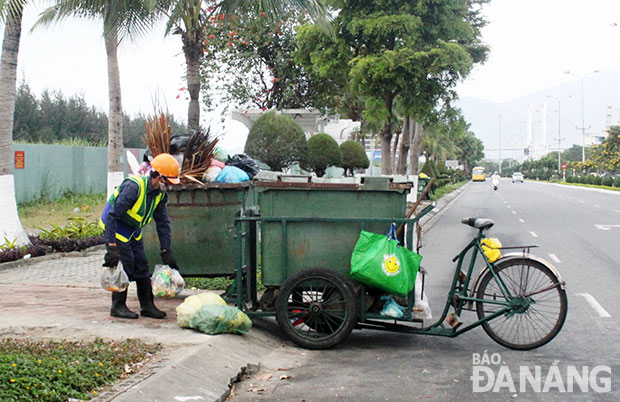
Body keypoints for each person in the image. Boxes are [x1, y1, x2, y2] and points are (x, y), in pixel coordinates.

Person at [100, 153, 180, 319]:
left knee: (142, 266)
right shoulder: (134, 187)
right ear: (157, 176)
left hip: (133, 228)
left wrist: (166, 250)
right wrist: (111, 247)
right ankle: (118, 306)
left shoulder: (159, 194)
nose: (169, 186)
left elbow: (163, 222)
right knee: (127, 265)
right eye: (167, 181)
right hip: (116, 226)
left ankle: (147, 306)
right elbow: (113, 216)